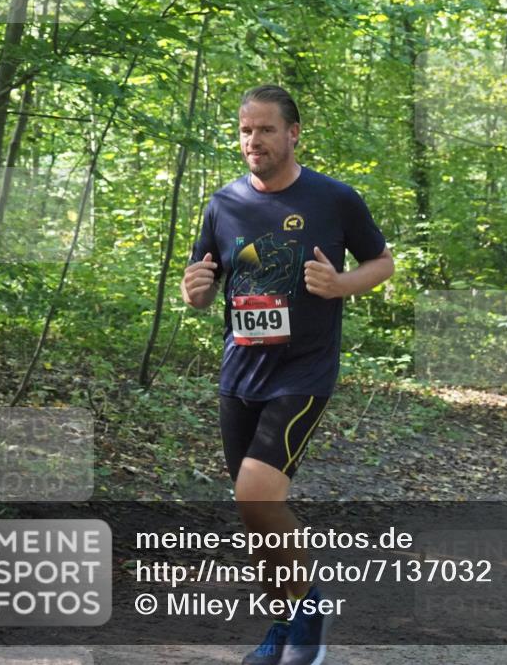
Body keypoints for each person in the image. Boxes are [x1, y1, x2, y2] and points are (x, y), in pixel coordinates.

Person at [182, 85, 394, 665]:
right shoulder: (223, 205)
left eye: (266, 130)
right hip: (240, 370)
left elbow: (382, 262)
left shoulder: (334, 199)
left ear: (293, 133)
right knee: (257, 518)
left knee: (256, 494)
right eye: (246, 130)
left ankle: (309, 621)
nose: (254, 141)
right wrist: (194, 291)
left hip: (302, 371)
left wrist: (343, 284)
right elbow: (203, 275)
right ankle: (283, 625)